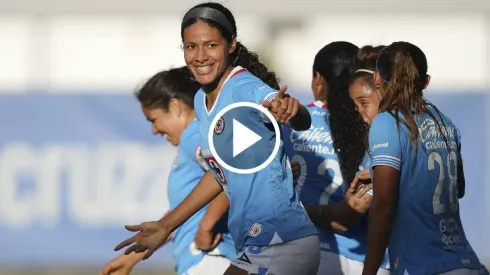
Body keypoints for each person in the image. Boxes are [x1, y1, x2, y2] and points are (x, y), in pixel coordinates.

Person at [114, 3, 321, 275]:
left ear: (232, 44)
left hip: (280, 239)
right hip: (257, 242)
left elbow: (291, 112)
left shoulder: (243, 87)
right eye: (191, 47)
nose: (200, 56)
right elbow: (218, 173)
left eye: (211, 45)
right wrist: (166, 225)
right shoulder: (201, 100)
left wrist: (291, 109)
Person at [362, 41, 488, 275]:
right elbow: (458, 189)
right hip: (466, 263)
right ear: (426, 81)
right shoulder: (446, 123)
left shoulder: (387, 122)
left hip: (423, 266)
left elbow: (385, 203)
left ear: (376, 78)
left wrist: (368, 271)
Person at [100, 67, 236, 275]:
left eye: (154, 120)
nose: (154, 130)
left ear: (175, 106)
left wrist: (207, 225)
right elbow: (182, 212)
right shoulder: (193, 140)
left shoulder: (195, 135)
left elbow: (230, 167)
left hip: (206, 258)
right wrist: (132, 258)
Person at [284, 42, 389, 275]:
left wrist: (291, 209)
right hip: (372, 260)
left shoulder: (291, 123)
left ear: (318, 79)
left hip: (310, 255)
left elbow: (344, 218)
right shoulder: (374, 124)